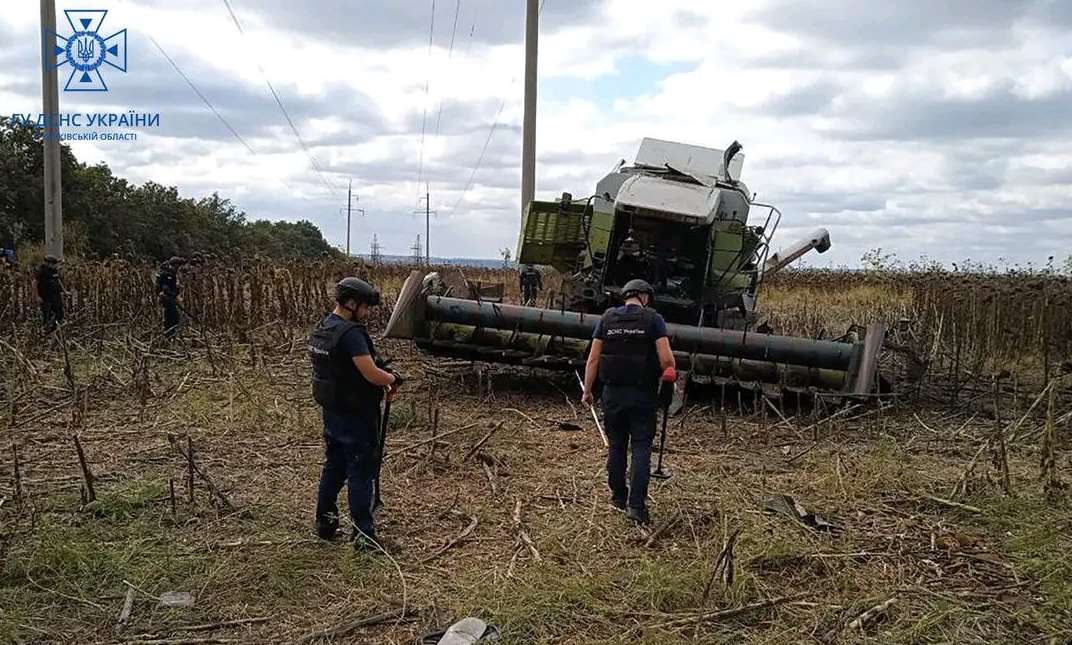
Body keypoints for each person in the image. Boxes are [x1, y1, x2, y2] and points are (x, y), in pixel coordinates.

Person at [309, 277, 401, 550]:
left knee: (334, 466)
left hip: (333, 413)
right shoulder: (351, 334)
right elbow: (371, 373)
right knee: (361, 472)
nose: (367, 312)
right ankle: (364, 537)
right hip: (357, 416)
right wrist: (392, 378)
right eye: (365, 307)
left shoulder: (324, 328)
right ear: (351, 303)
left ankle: (325, 522)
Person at [582, 279, 676, 525]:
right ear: (644, 297)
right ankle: (636, 506)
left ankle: (617, 496)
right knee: (642, 447)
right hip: (643, 395)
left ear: (625, 296)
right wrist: (668, 382)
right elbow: (667, 361)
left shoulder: (607, 319)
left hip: (612, 394)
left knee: (616, 445)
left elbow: (593, 359)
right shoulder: (653, 319)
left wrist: (588, 390)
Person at [35, 255, 64, 333]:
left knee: (59, 314)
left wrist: (64, 291)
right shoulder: (41, 272)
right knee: (47, 316)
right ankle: (46, 331)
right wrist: (37, 296)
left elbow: (58, 281)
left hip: (55, 296)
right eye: (54, 264)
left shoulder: (53, 271)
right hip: (45, 297)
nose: (56, 266)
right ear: (49, 264)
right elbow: (34, 283)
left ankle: (54, 330)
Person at [156, 257, 182, 337]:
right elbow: (164, 288)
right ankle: (168, 336)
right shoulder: (167, 274)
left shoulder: (172, 274)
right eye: (177, 265)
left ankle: (170, 335)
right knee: (171, 318)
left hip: (170, 299)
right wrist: (171, 295)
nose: (178, 267)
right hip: (167, 299)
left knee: (174, 318)